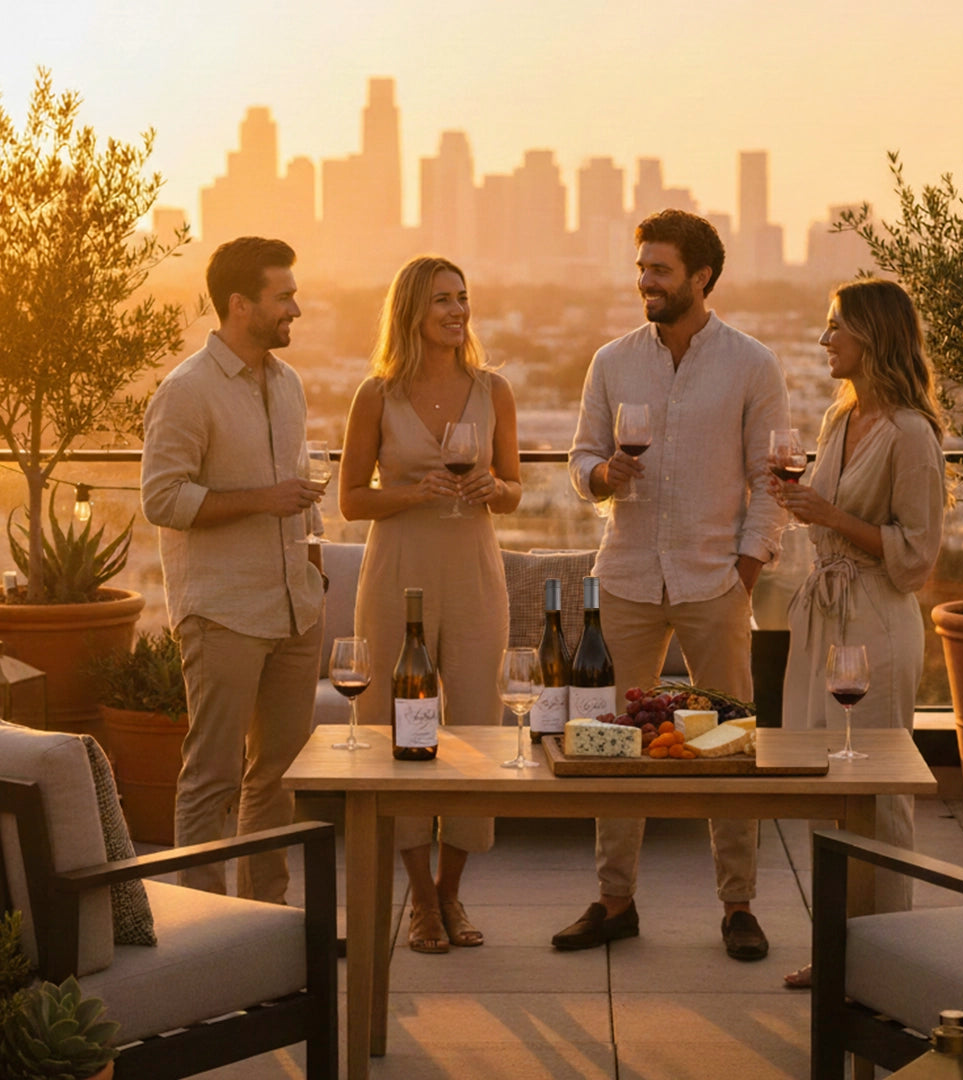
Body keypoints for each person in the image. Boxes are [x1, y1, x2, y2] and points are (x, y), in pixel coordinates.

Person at [555, 209, 790, 959]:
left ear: (701, 277)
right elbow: (580, 459)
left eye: (659, 270)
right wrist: (601, 474)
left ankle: (739, 906)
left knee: (728, 746)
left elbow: (769, 479)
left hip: (713, 579)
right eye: (641, 268)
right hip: (623, 575)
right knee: (611, 744)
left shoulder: (753, 364)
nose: (644, 282)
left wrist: (745, 569)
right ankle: (614, 900)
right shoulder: (611, 361)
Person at [338, 254, 522, 954]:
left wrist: (492, 492)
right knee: (401, 732)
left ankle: (452, 891)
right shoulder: (375, 396)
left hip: (474, 570)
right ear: (411, 309)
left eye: (463, 298)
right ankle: (419, 898)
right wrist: (416, 492)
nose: (457, 310)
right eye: (442, 299)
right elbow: (352, 500)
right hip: (398, 574)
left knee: (477, 729)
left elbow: (513, 487)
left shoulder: (494, 389)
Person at [141, 236, 325, 903]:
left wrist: (310, 570)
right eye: (284, 296)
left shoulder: (288, 384)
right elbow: (161, 498)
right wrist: (263, 501)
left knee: (276, 777)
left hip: (294, 610)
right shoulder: (187, 392)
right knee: (212, 778)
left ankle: (266, 923)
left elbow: (297, 485)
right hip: (222, 616)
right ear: (241, 304)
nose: (296, 309)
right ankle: (204, 930)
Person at [774, 277, 946, 988]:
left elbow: (917, 553)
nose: (824, 340)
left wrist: (828, 516)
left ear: (872, 336)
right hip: (824, 615)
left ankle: (888, 956)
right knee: (825, 787)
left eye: (836, 326)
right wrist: (797, 504)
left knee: (877, 791)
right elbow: (825, 515)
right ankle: (838, 951)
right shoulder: (837, 423)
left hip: (876, 619)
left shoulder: (913, 435)